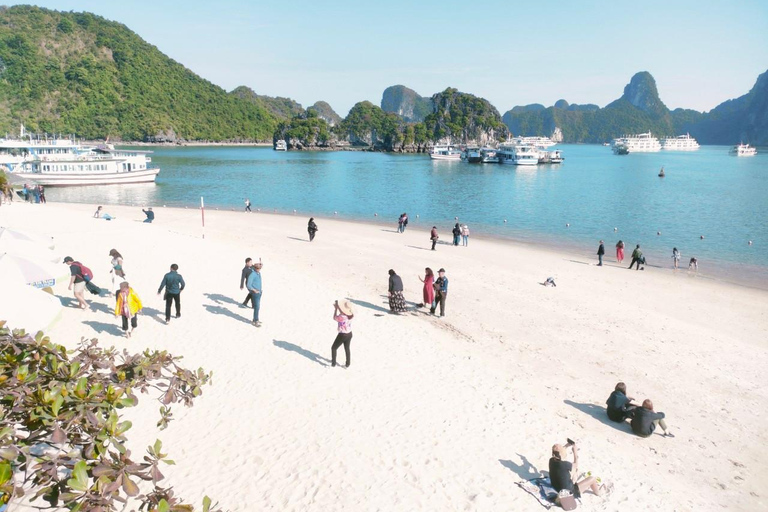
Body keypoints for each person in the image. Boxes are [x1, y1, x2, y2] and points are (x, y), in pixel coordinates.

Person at [331, 300, 354, 367]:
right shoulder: (351, 315)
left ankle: (333, 363)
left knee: (333, 348)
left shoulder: (341, 317)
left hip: (342, 334)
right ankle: (347, 364)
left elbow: (334, 317)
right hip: (349, 333)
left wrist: (335, 309)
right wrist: (338, 308)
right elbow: (343, 312)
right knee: (347, 348)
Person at [246, 261, 263, 327]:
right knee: (257, 307)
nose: (260, 269)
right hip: (255, 293)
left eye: (260, 268)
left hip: (260, 292)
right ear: (256, 268)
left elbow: (260, 265)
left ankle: (255, 319)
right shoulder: (252, 274)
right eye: (259, 268)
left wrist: (261, 264)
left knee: (257, 307)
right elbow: (248, 285)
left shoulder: (258, 273)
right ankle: (255, 320)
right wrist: (254, 290)